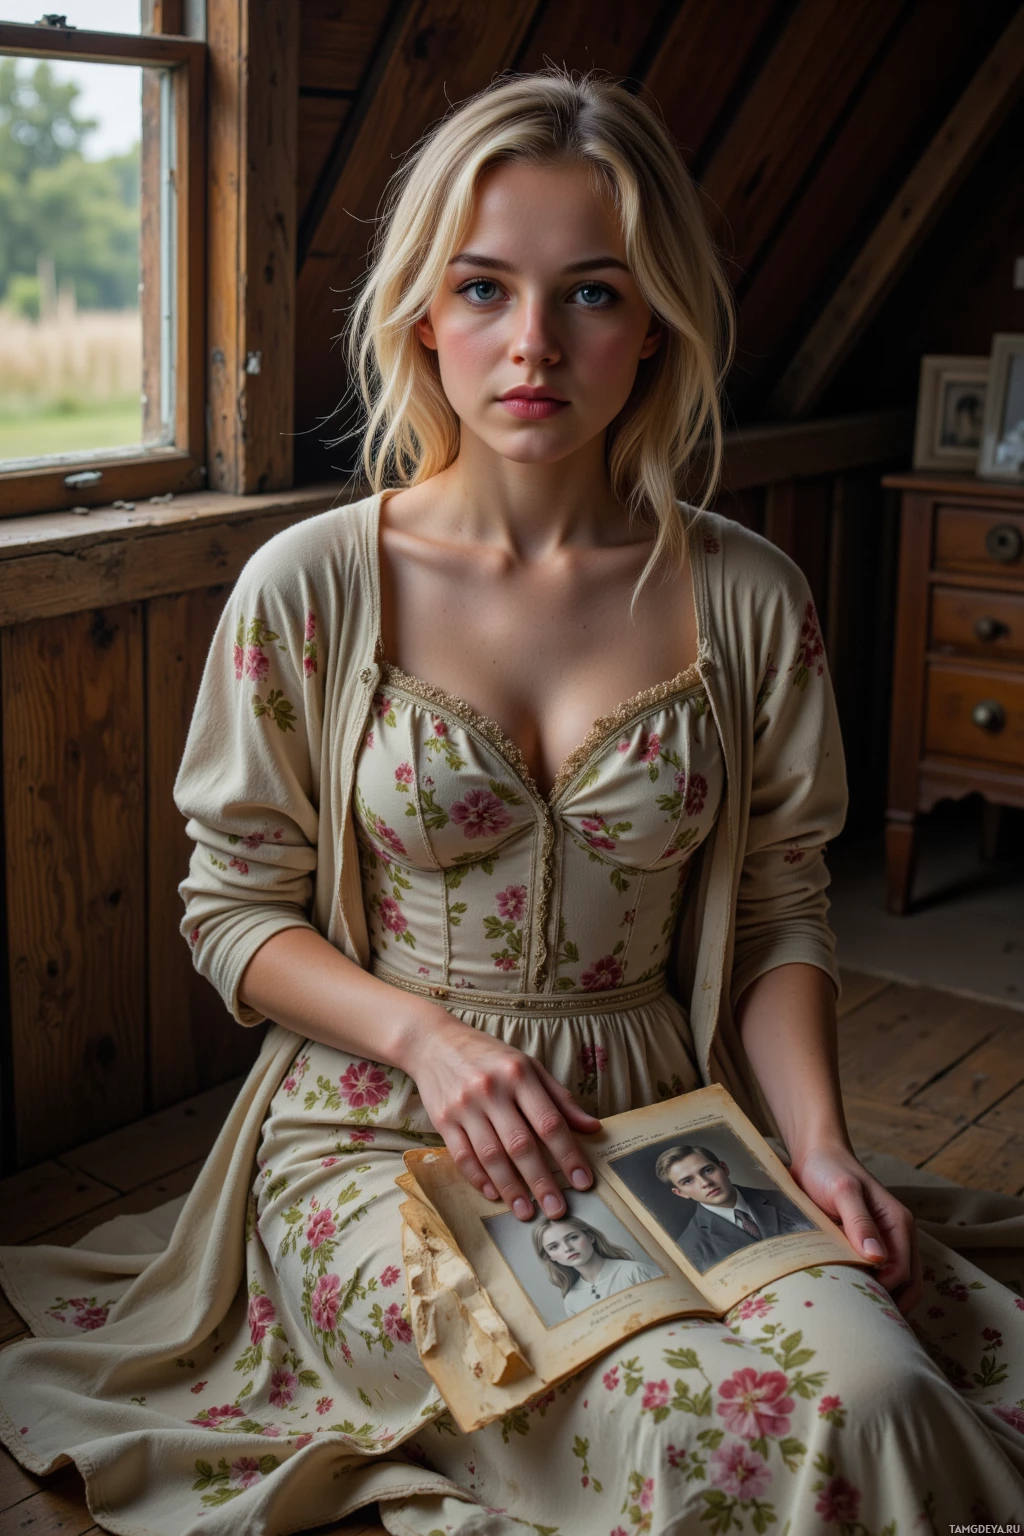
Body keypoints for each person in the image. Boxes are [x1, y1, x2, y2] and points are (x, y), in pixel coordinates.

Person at [0, 70, 1022, 1536]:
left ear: (656, 319)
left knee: (886, 1400)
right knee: (706, 1430)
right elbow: (230, 911)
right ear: (424, 310)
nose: (532, 344)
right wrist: (432, 1040)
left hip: (671, 1111)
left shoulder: (746, 596)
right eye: (484, 288)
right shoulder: (312, 586)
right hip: (375, 1128)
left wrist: (819, 1149)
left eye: (591, 293)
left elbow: (789, 906)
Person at [654, 1143, 814, 1273]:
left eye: (708, 1170)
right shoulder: (690, 1248)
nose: (705, 1182)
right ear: (680, 1193)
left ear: (724, 1168)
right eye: (688, 1181)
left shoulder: (785, 1200)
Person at [532, 1213, 660, 1316]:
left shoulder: (634, 1271)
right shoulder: (571, 1300)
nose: (567, 1248)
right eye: (554, 1247)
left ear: (590, 1237)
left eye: (572, 1238)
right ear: (550, 1257)